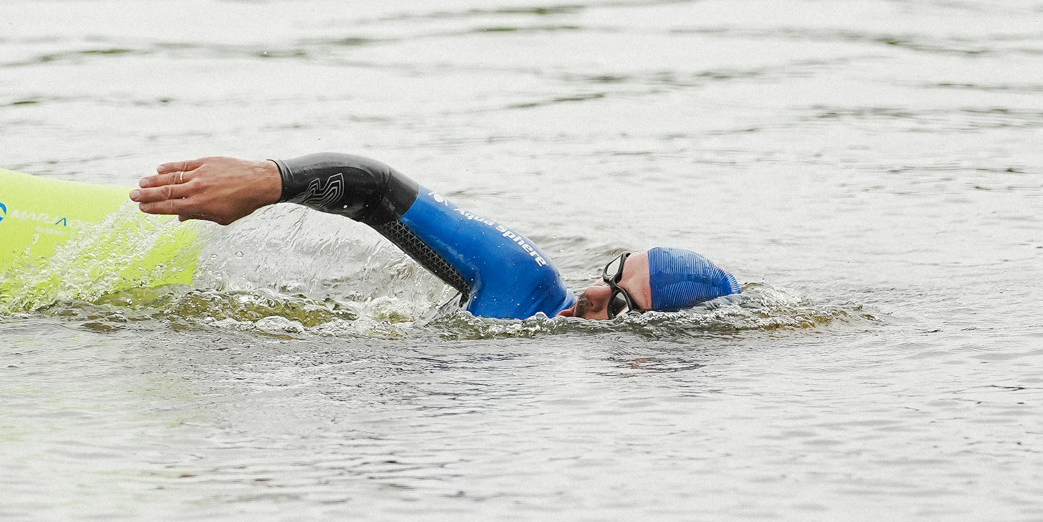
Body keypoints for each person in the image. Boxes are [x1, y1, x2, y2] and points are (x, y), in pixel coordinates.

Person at [130, 152, 739, 321]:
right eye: (614, 272)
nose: (595, 293)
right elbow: (375, 187)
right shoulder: (525, 284)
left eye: (623, 304)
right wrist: (271, 180)